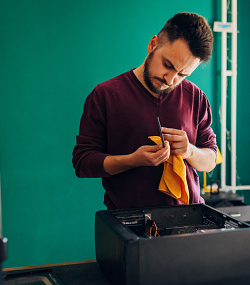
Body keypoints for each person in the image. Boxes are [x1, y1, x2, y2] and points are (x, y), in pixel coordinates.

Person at [72, 12, 218, 210]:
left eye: (182, 75)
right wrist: (132, 160)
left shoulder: (196, 97)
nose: (170, 80)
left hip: (189, 222)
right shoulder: (105, 95)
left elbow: (210, 159)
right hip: (128, 226)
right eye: (167, 65)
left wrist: (190, 151)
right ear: (153, 44)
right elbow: (83, 163)